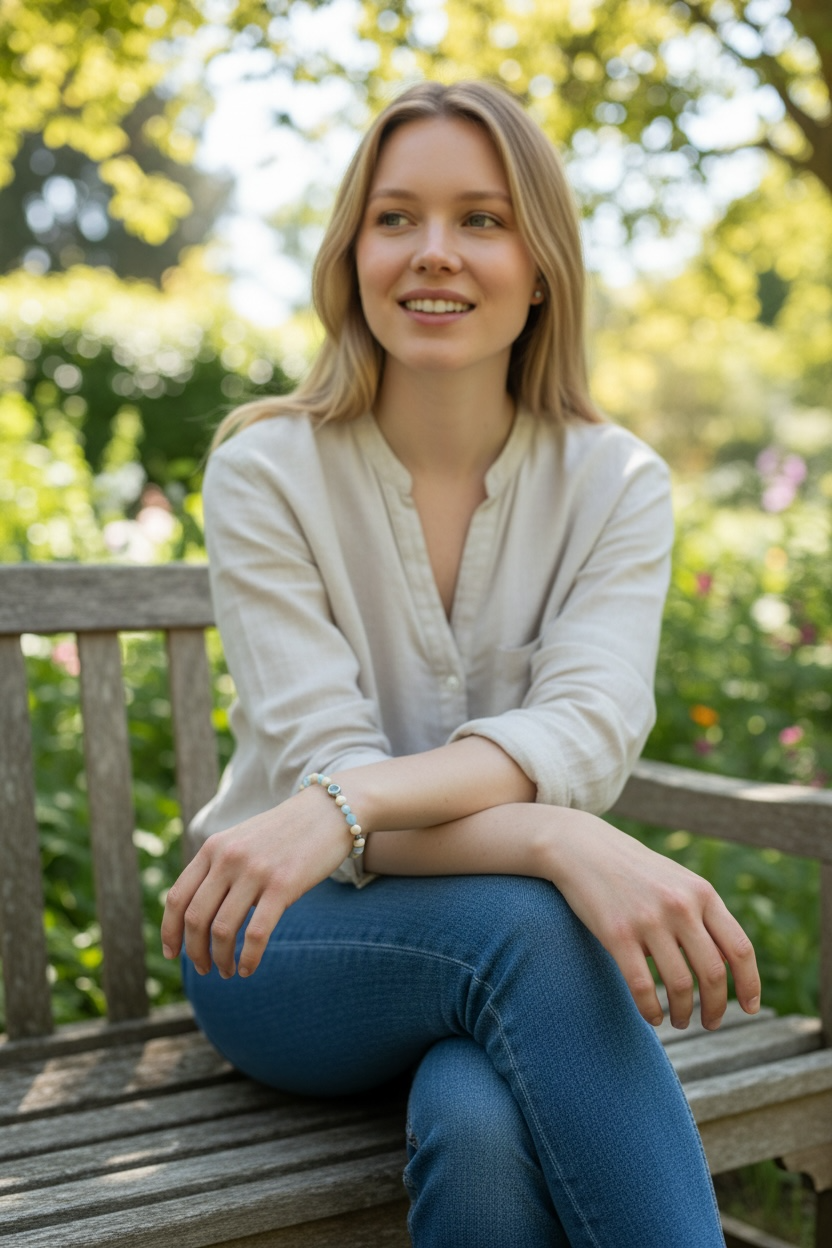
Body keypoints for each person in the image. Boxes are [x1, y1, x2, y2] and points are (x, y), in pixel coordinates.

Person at [161, 80, 760, 1246]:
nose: (432, 251)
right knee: (534, 929)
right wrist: (552, 837)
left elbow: (586, 728)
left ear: (541, 269)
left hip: (493, 971)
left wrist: (341, 808)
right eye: (395, 218)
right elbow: (329, 784)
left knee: (479, 1126)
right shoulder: (265, 470)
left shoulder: (614, 484)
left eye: (481, 219)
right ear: (352, 257)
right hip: (283, 944)